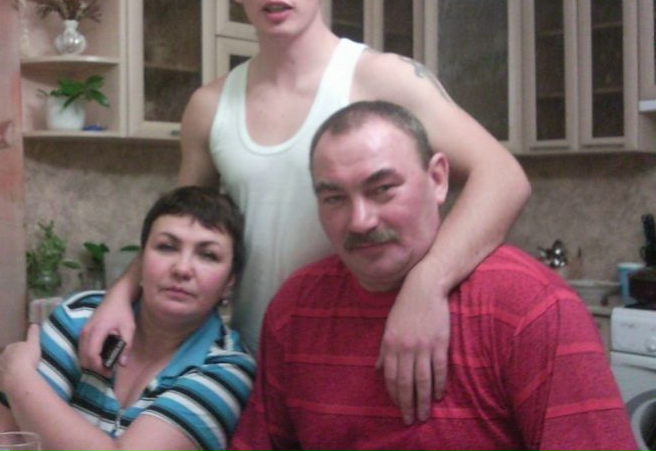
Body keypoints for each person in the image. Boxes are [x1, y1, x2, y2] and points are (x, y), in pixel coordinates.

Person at [79, 0, 531, 424]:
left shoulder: (381, 78)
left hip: (373, 358)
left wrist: (426, 285)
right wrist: (120, 295)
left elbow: (503, 177)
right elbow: (179, 227)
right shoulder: (210, 106)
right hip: (252, 368)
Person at [229, 100, 635, 451]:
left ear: (437, 179)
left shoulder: (529, 308)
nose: (360, 221)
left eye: (383, 188)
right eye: (334, 198)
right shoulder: (297, 308)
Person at [0, 186, 256, 451]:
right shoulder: (82, 315)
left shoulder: (228, 368)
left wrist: (18, 377)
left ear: (230, 281)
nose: (182, 268)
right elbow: (5, 440)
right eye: (166, 247)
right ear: (141, 261)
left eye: (208, 255)